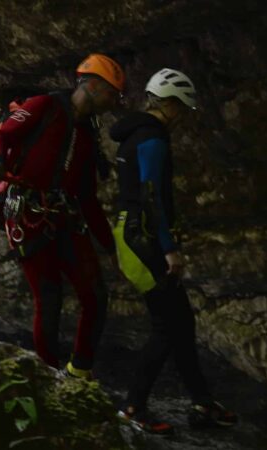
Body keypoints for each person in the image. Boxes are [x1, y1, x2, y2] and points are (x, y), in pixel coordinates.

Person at [110, 68, 238, 433]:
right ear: (167, 104)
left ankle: (202, 401)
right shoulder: (152, 139)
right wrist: (171, 249)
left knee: (181, 322)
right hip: (144, 238)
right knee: (166, 326)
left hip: (133, 232)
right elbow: (152, 199)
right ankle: (132, 406)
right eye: (181, 108)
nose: (182, 117)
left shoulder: (134, 134)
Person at [0, 53, 122, 378]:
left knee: (95, 294)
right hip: (27, 216)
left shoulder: (88, 136)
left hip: (65, 218)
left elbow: (88, 199)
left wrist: (111, 247)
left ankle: (79, 370)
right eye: (112, 93)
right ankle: (48, 374)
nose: (114, 101)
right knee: (48, 296)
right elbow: (1, 135)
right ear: (93, 84)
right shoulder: (44, 106)